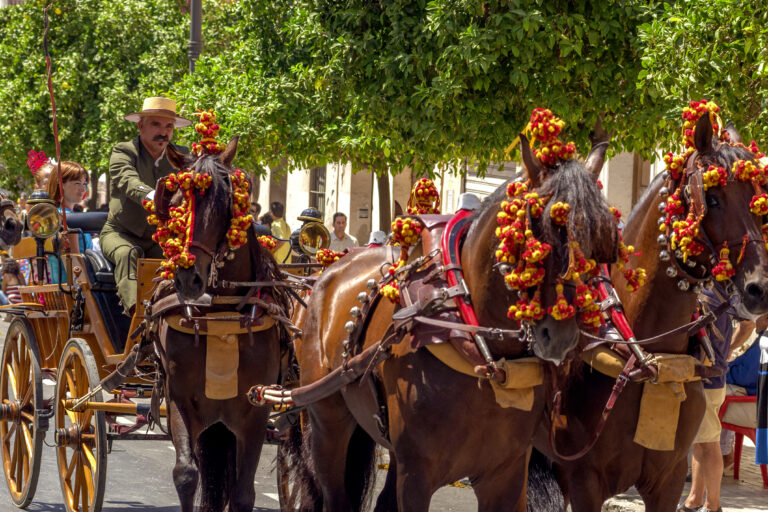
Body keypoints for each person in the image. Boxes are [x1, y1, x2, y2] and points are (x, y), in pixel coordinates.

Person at [100, 97, 191, 315]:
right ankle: (137, 316)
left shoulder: (182, 155)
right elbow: (127, 181)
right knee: (128, 254)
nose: (163, 131)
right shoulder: (123, 151)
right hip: (120, 233)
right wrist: (156, 197)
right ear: (141, 126)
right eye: (156, 124)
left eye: (169, 126)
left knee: (184, 260)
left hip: (162, 236)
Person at [679, 287, 752, 512]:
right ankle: (694, 501)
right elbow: (747, 324)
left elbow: (748, 325)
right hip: (709, 377)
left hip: (707, 379)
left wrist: (728, 349)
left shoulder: (712, 291)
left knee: (708, 444)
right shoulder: (723, 290)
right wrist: (728, 350)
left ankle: (713, 506)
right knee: (701, 442)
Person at [46, 161, 94, 283]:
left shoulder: (56, 214)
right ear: (60, 184)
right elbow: (74, 261)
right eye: (77, 183)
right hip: (73, 291)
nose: (83, 188)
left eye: (84, 183)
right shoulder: (66, 218)